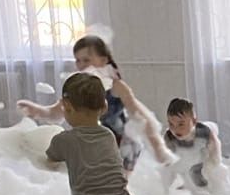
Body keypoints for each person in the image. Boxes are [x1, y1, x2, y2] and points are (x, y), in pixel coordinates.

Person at [19, 33, 168, 174]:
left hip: (122, 144)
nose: (82, 65)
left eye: (87, 60)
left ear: (103, 61)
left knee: (118, 186)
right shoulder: (77, 87)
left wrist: (158, 148)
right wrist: (38, 111)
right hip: (94, 143)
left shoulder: (116, 86)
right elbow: (56, 112)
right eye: (78, 60)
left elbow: (140, 117)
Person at [160, 98, 222, 190]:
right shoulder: (169, 136)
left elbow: (215, 157)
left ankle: (203, 189)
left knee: (199, 173)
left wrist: (209, 168)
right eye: (171, 124)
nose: (175, 129)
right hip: (189, 150)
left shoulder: (204, 133)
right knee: (179, 167)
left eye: (181, 124)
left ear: (193, 121)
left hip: (204, 142)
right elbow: (166, 164)